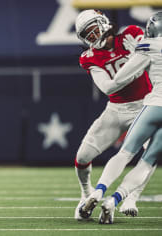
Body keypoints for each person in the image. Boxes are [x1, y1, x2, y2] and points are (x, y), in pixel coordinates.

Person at [73, 9, 155, 220]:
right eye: (87, 35)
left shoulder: (132, 34)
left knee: (150, 157)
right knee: (82, 157)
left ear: (103, 23)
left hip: (144, 106)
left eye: (92, 31)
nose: (92, 38)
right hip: (116, 109)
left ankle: (132, 197)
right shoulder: (89, 57)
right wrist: (136, 62)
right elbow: (108, 87)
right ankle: (86, 193)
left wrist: (141, 56)